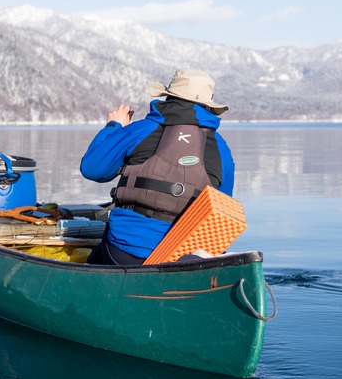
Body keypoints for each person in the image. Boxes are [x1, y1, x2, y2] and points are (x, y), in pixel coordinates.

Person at [79, 68, 235, 265]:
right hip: (182, 255)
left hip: (125, 251)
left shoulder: (142, 130)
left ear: (169, 97)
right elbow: (222, 209)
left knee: (94, 258)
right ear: (208, 106)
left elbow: (92, 169)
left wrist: (114, 127)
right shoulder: (221, 150)